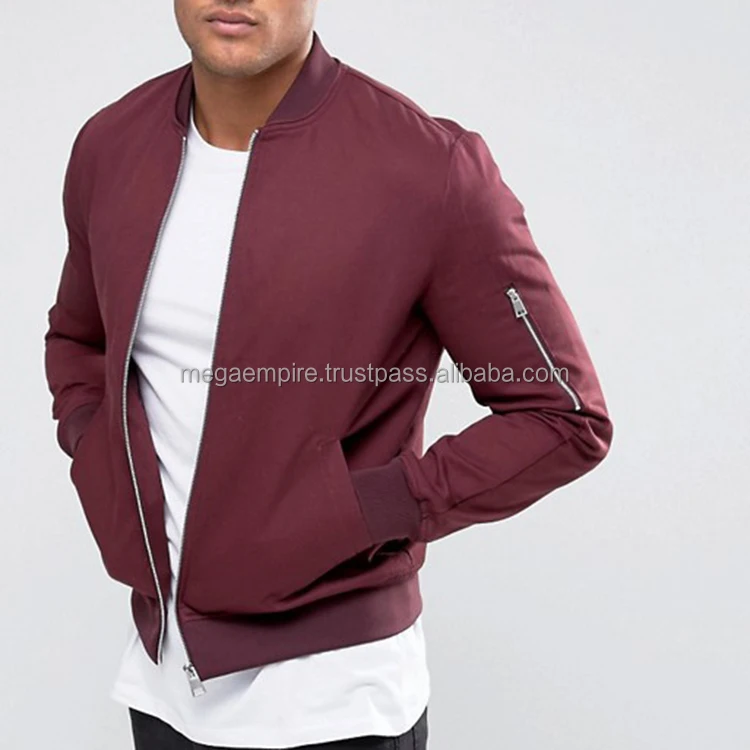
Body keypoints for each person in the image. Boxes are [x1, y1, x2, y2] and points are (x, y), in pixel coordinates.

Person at [43, 1, 614, 748]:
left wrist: (361, 511)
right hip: (161, 687)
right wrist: (94, 450)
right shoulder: (111, 146)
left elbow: (564, 417)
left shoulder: (425, 169)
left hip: (339, 699)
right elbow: (79, 340)